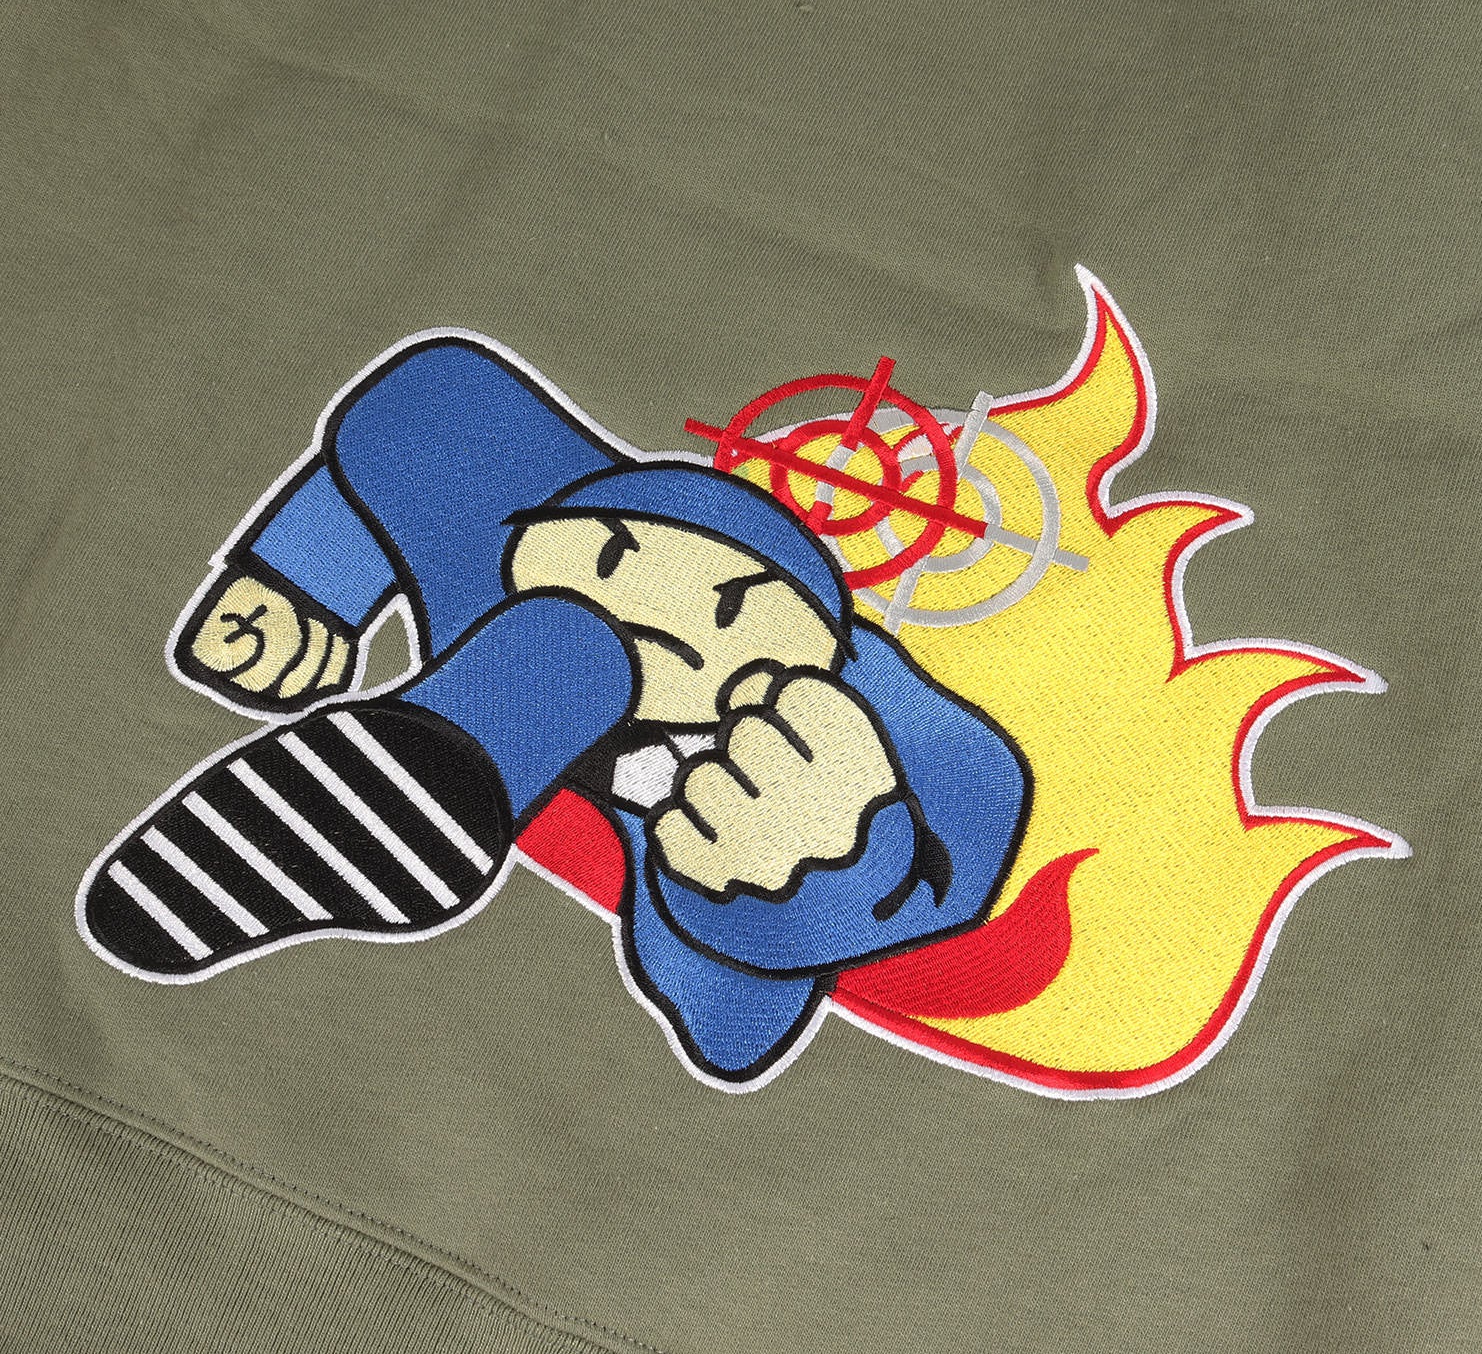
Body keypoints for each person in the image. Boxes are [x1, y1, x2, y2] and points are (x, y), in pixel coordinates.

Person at [78, 337, 1032, 1083]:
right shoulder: (503, 530)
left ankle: (431, 766)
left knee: (738, 878)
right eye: (614, 556)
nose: (654, 616)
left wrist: (843, 858)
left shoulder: (838, 699)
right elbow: (419, 413)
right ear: (545, 533)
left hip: (712, 831)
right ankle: (424, 761)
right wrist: (309, 575)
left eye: (729, 611)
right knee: (561, 644)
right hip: (526, 641)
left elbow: (971, 799)